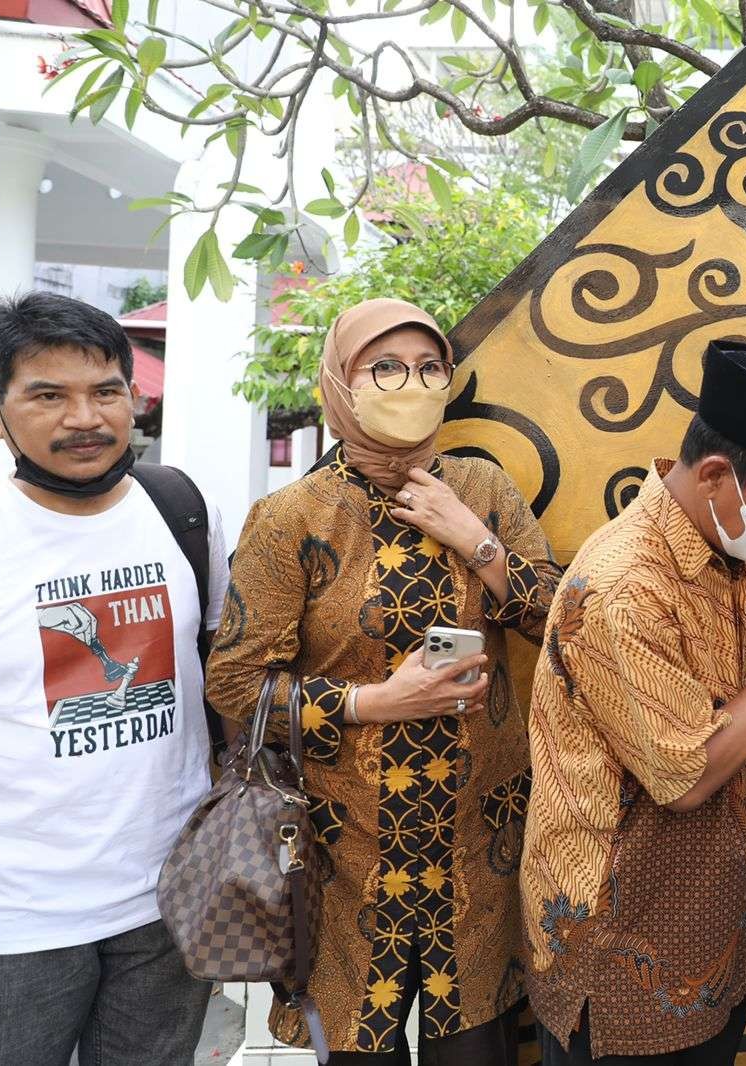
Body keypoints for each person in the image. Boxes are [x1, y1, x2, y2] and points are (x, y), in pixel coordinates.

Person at [204, 298, 561, 1064]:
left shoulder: (482, 487)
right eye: (386, 368)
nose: (412, 384)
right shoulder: (293, 516)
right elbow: (235, 684)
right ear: (340, 382)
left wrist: (475, 540)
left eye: (430, 368)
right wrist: (375, 702)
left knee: (477, 1049)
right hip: (344, 854)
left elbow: (556, 623)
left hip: (475, 843)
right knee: (359, 1051)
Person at [521, 339, 746, 1065]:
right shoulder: (625, 589)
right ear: (717, 475)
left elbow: (737, 710)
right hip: (622, 953)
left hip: (715, 926)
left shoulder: (730, 545)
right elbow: (685, 778)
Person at [0, 291, 228, 1066]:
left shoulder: (179, 508)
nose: (86, 418)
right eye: (48, 395)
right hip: (10, 920)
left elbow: (221, 667)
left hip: (171, 899)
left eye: (105, 390)